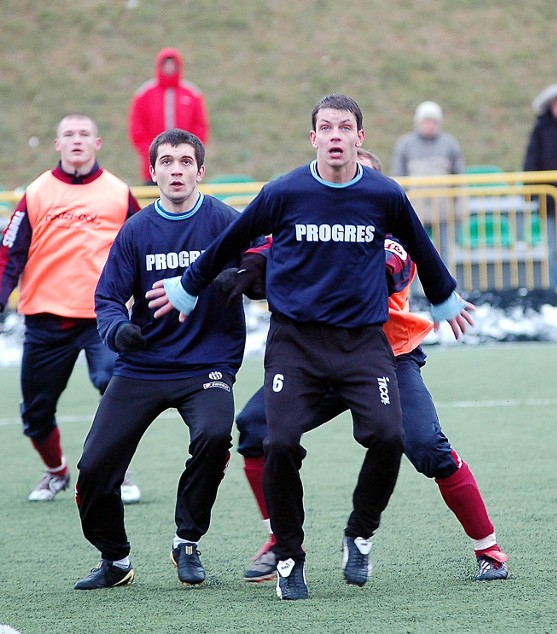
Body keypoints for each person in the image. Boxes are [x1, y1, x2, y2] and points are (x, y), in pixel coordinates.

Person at [147, 94, 473, 600]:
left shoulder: (384, 195)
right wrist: (190, 285)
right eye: (327, 127)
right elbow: (232, 239)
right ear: (313, 137)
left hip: (363, 343)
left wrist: (446, 296)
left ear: (359, 138)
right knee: (277, 443)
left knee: (389, 437)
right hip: (296, 344)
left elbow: (419, 246)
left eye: (346, 127)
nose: (336, 135)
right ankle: (290, 557)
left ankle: (360, 533)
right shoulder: (285, 191)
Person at [218, 151, 507, 583]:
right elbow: (268, 249)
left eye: (363, 176)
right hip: (314, 357)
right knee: (256, 430)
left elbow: (389, 265)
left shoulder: (392, 233)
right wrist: (251, 267)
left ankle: (488, 546)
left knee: (427, 446)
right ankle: (281, 540)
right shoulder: (311, 221)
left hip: (385, 358)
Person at [73, 129, 252, 591]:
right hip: (144, 365)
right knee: (94, 467)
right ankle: (115, 559)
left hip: (208, 364)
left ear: (200, 171)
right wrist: (118, 331)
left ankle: (186, 540)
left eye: (186, 162)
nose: (176, 170)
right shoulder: (136, 231)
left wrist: (250, 277)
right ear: (152, 172)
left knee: (214, 436)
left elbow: (267, 255)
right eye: (167, 162)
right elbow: (108, 298)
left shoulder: (225, 222)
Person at [0, 113, 142, 504]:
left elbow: (145, 249)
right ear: (58, 145)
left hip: (103, 318)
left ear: (97, 143)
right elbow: (8, 253)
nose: (76, 140)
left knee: (114, 386)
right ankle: (55, 472)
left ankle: (116, 470)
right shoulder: (37, 193)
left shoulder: (118, 193)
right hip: (45, 319)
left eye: (85, 134)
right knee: (36, 413)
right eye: (68, 134)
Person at [392, 101, 464, 263]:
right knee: (414, 251)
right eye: (426, 121)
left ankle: (447, 287)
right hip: (416, 210)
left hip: (443, 209)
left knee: (445, 252)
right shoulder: (405, 145)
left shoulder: (450, 144)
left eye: (433, 121)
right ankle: (414, 288)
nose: (430, 125)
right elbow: (398, 177)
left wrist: (458, 207)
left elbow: (458, 178)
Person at [128, 47, 210, 185]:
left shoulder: (191, 93)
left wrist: (192, 151)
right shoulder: (145, 94)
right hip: (153, 166)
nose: (169, 68)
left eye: (173, 64)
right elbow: (137, 127)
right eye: (166, 64)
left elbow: (200, 126)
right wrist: (150, 153)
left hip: (186, 166)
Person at [523, 82, 557, 290]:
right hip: (550, 197)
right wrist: (530, 190)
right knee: (553, 246)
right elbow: (532, 157)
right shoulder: (541, 129)